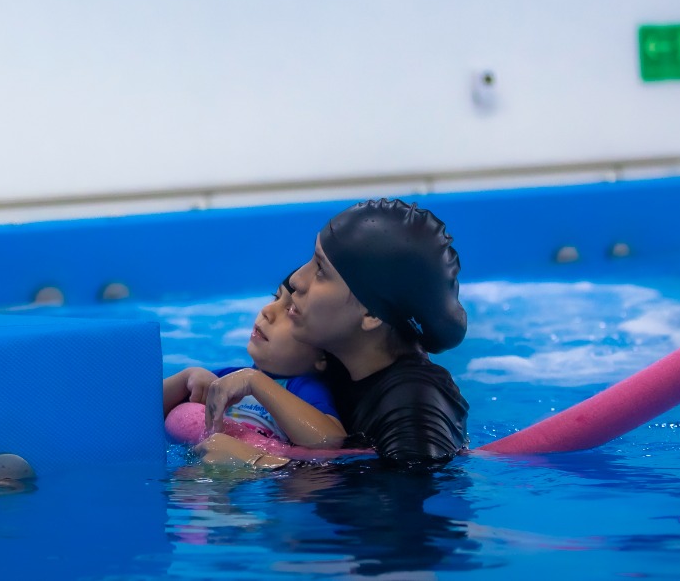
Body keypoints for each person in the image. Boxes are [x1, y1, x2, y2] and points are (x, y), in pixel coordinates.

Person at [283, 198, 469, 469]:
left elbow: (409, 502)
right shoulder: (335, 363)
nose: (296, 280)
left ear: (371, 314)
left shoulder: (413, 409)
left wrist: (259, 463)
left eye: (321, 270)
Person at [164, 280, 345, 466]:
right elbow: (142, 410)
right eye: (275, 298)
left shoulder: (302, 389)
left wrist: (255, 381)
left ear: (322, 355)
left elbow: (330, 441)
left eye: (292, 311)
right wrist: (185, 378)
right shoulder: (229, 376)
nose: (268, 311)